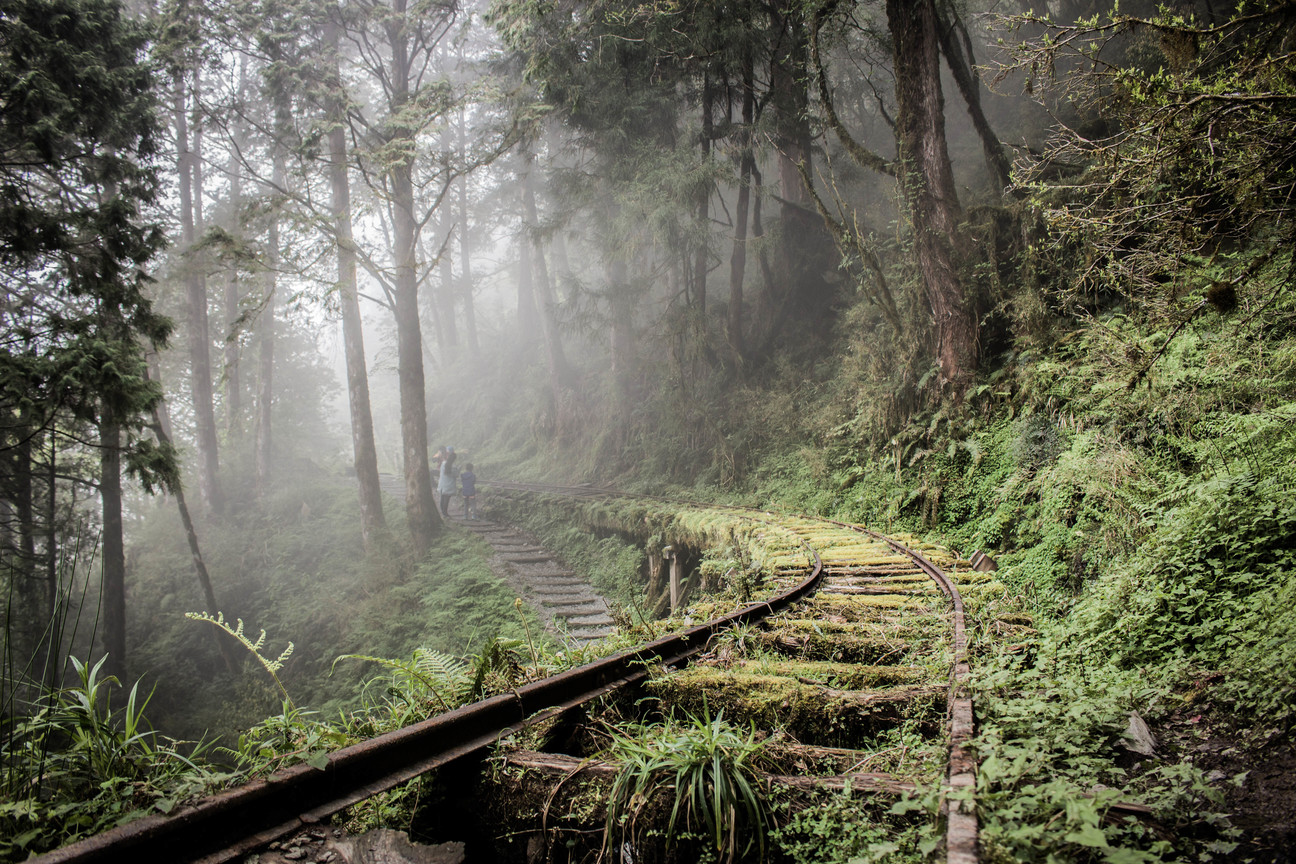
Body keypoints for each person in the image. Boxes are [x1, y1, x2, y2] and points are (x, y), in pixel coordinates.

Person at [438, 447, 457, 516]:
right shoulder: (453, 466)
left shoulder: (443, 464)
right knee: (446, 499)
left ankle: (443, 512)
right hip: (449, 484)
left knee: (442, 498)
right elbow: (456, 474)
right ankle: (445, 513)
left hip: (442, 484)